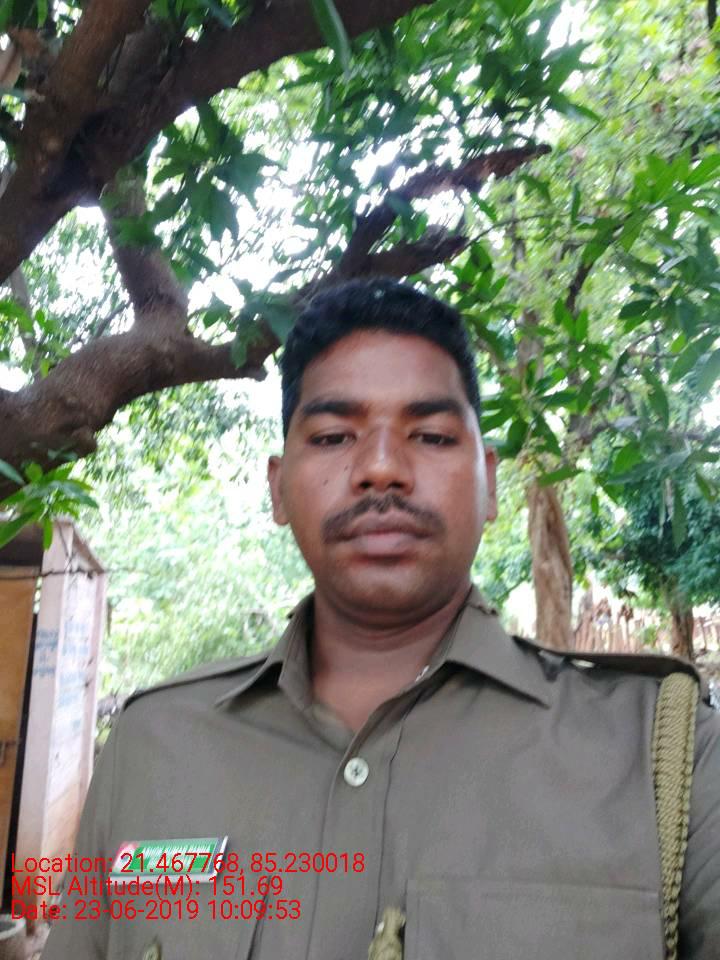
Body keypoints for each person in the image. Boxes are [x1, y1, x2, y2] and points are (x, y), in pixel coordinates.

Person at [42, 278, 719, 960]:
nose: (382, 468)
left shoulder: (666, 758)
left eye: (431, 435)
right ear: (278, 489)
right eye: (335, 436)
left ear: (488, 484)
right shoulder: (152, 746)